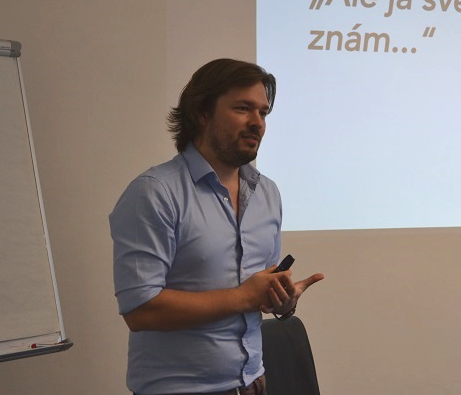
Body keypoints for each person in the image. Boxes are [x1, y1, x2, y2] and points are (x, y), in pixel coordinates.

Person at [109, 58, 324, 394]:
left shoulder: (267, 193)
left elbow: (259, 291)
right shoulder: (154, 193)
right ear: (202, 112)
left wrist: (281, 301)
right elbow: (140, 311)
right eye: (243, 108)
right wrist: (243, 296)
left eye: (263, 113)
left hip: (254, 384)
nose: (257, 123)